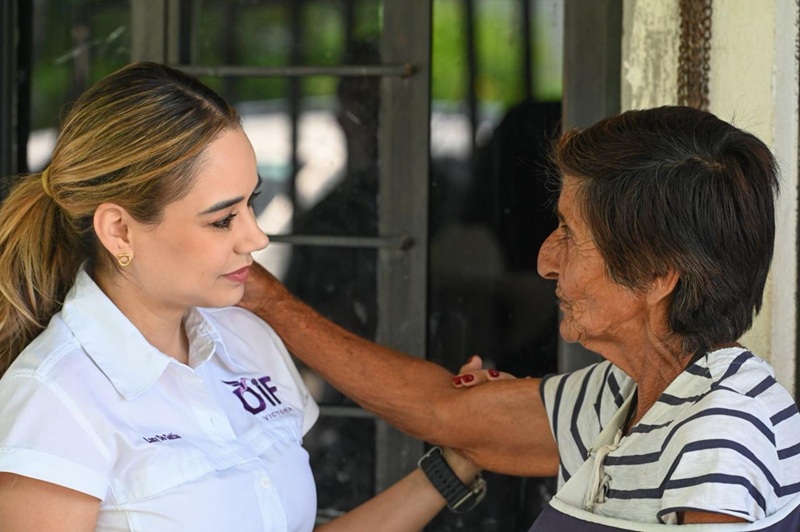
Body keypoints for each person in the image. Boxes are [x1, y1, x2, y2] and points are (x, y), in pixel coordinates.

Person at [239, 106, 800, 529]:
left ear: (656, 276)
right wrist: (266, 299)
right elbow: (443, 412)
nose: (545, 261)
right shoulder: (625, 397)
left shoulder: (720, 434)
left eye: (570, 234)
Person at [0, 62, 484, 531]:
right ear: (119, 230)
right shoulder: (53, 399)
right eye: (222, 219)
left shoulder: (248, 339)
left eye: (251, 203)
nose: (257, 237)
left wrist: (453, 467)